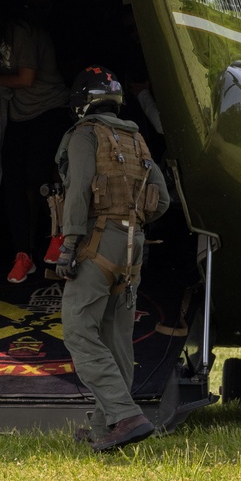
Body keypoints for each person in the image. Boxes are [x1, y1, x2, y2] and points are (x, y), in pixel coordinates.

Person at [55, 67, 170, 453]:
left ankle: (125, 414)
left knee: (78, 330)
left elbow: (77, 194)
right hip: (133, 246)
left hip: (96, 242)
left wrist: (69, 244)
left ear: (82, 102)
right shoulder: (137, 139)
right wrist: (132, 221)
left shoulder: (85, 135)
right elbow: (163, 200)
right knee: (117, 336)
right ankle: (109, 425)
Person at [0, 12, 68, 284]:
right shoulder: (0, 37)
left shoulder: (22, 29)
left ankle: (58, 237)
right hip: (20, 113)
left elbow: (27, 77)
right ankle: (22, 255)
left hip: (49, 109)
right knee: (12, 181)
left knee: (40, 177)